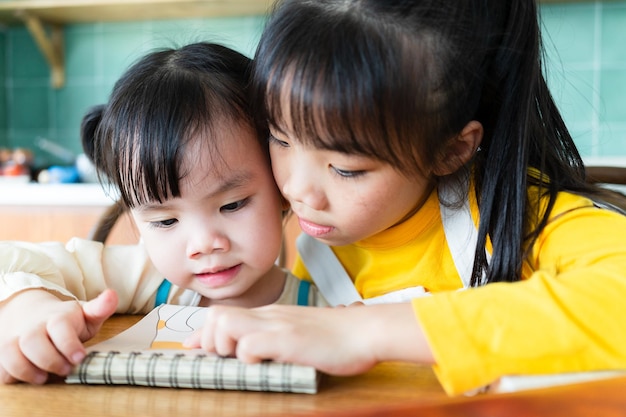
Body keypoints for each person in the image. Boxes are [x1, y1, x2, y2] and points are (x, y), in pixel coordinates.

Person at [186, 0, 626, 395]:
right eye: (280, 139)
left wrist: (362, 331)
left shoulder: (521, 217)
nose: (297, 190)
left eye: (346, 169)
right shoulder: (319, 249)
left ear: (450, 149)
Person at [0, 42, 326, 385]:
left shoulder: (327, 295)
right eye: (165, 221)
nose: (203, 244)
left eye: (232, 205)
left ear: (282, 185)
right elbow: (10, 259)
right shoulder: (151, 279)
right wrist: (27, 306)